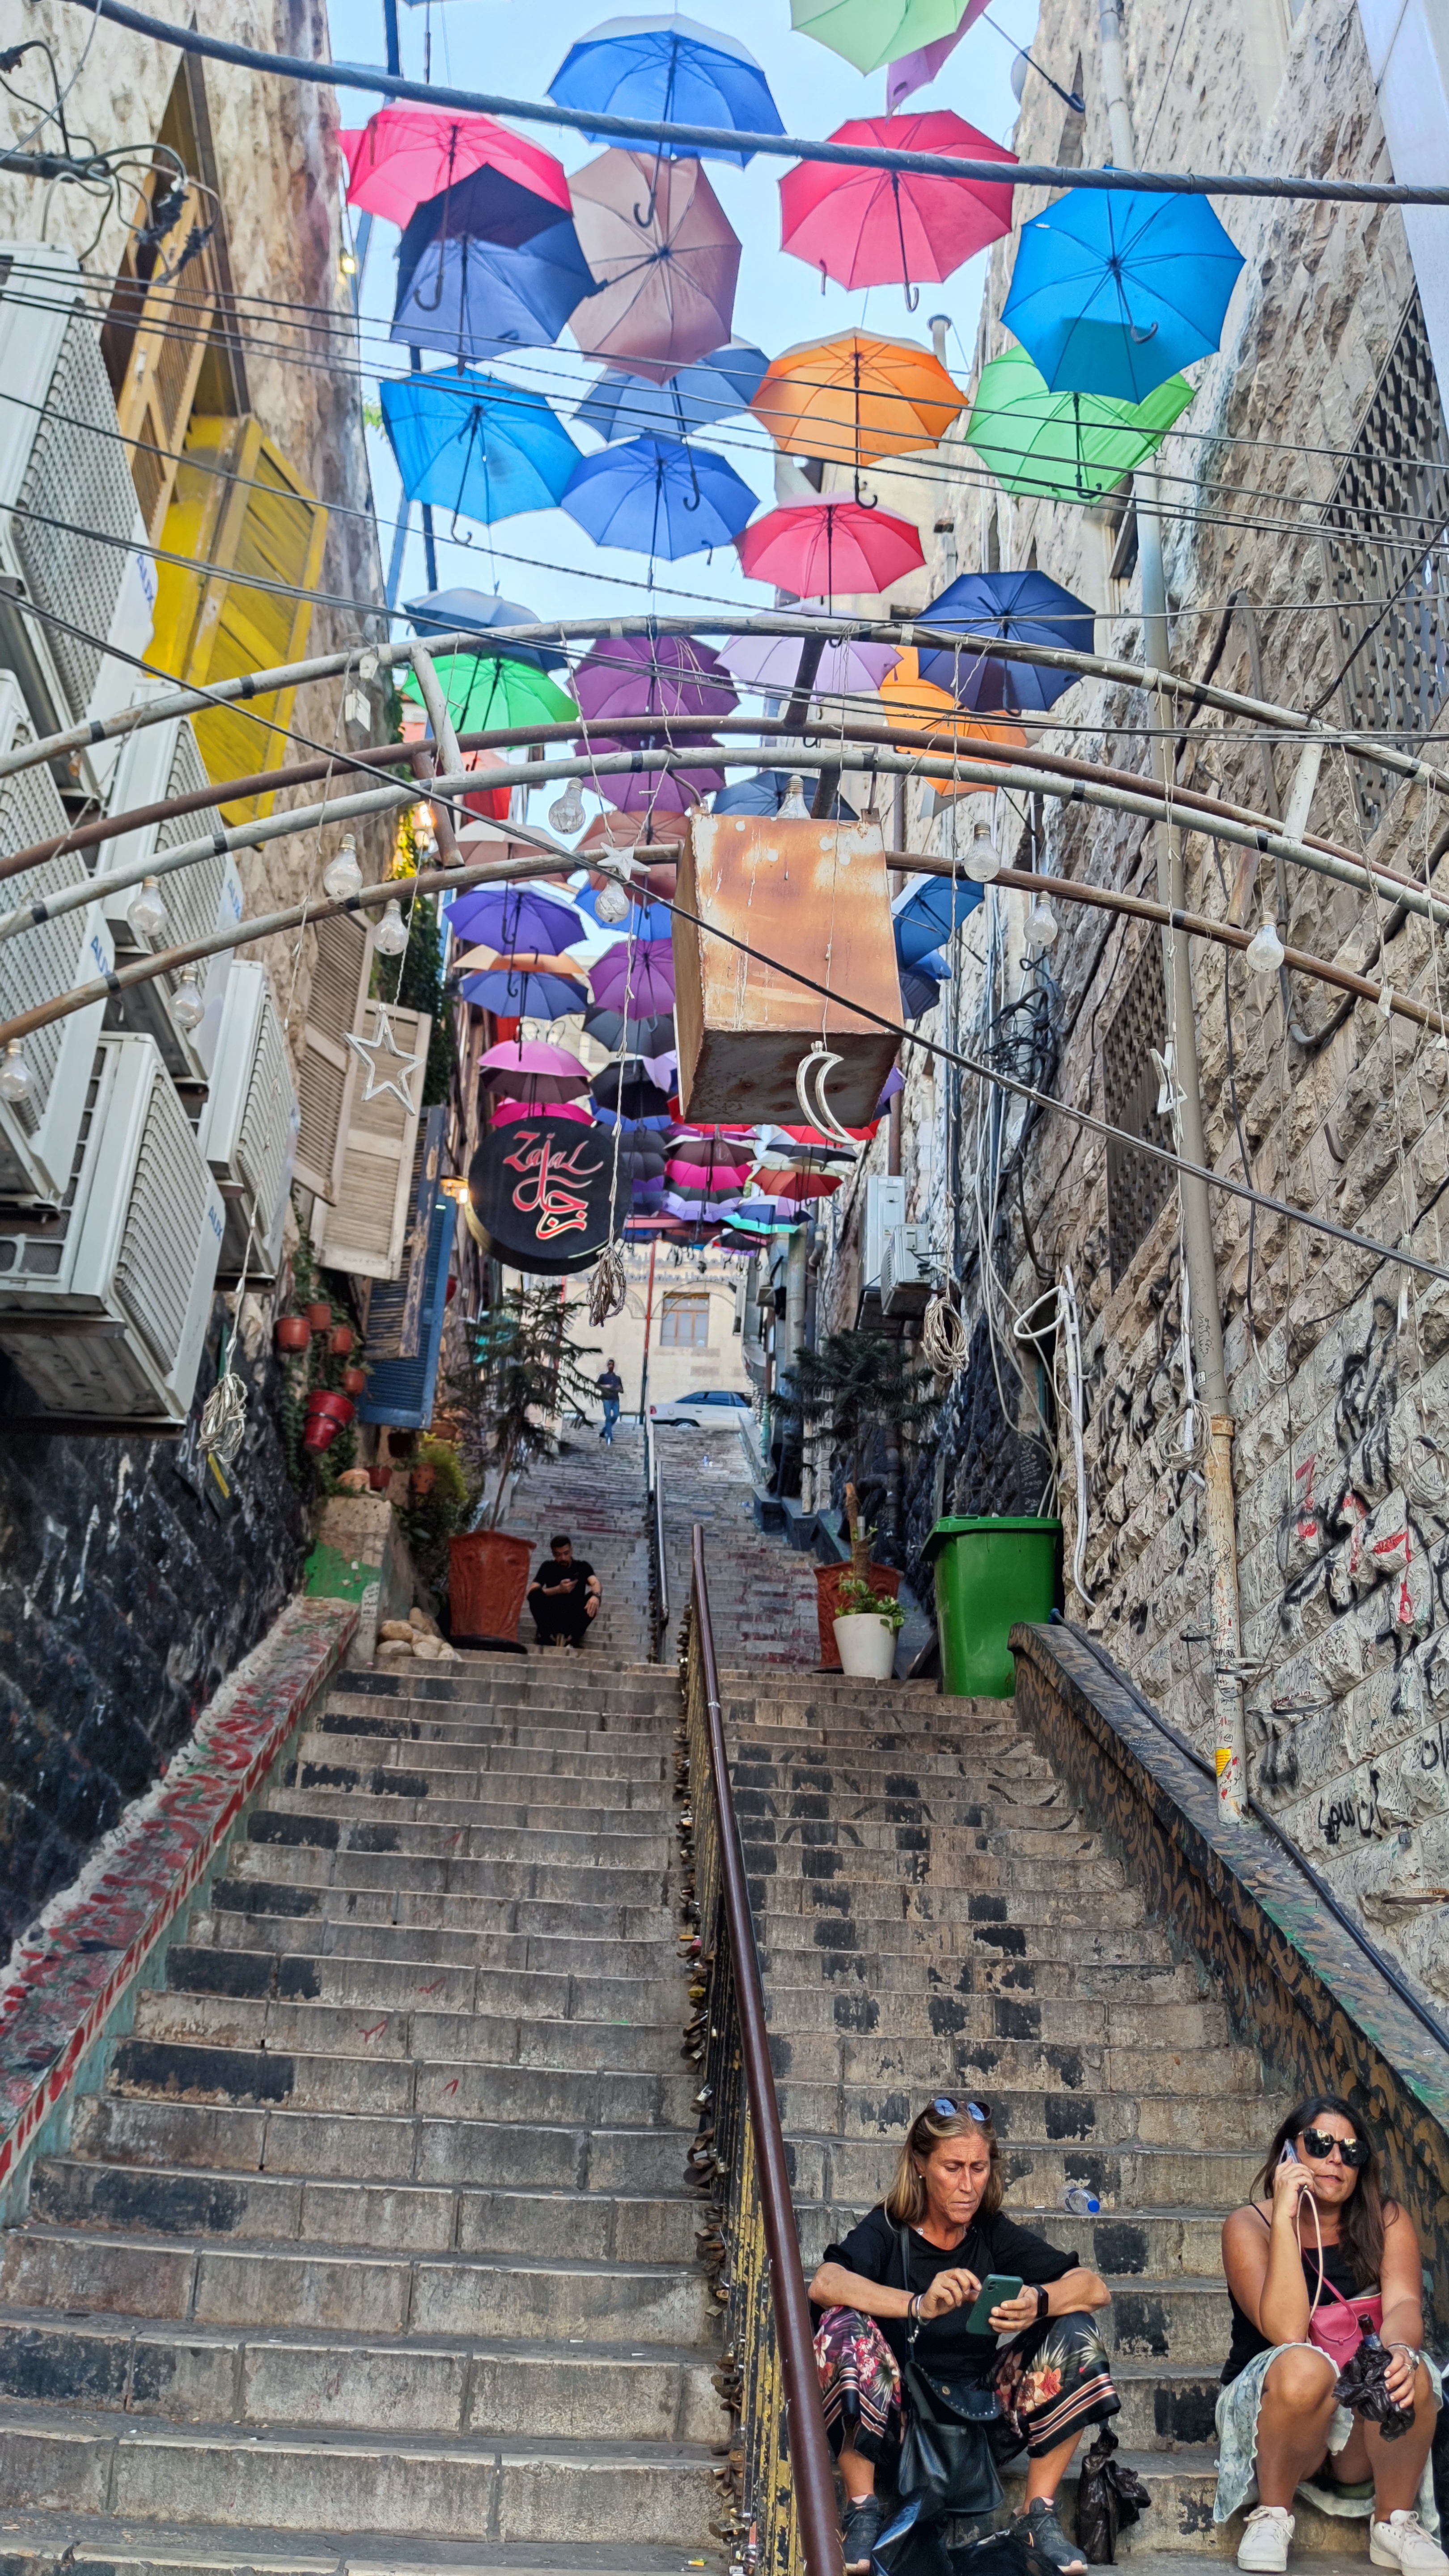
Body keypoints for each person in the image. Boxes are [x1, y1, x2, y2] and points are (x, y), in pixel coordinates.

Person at [808, 2097, 1118, 2576]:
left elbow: (1093, 2288)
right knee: (842, 2324)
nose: (969, 2185)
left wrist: (1037, 2301)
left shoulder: (989, 2232)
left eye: (979, 2168)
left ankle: (1036, 2514)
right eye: (953, 2168)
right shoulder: (889, 2228)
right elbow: (825, 2283)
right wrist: (918, 2304)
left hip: (982, 2420)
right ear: (920, 2165)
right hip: (899, 2423)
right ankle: (863, 2508)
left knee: (1075, 2328)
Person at [1216, 2093, 1445, 2576]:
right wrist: (1285, 2216)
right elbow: (1286, 2330)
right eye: (1320, 2144)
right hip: (1275, 2419)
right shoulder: (1248, 2225)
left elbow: (1403, 2304)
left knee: (1411, 2369)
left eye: (1351, 2151)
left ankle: (1394, 2523)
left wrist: (1400, 2351)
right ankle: (1273, 2514)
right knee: (1304, 2365)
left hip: (1356, 2424)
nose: (1336, 2159)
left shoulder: (1386, 2219)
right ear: (1289, 2151)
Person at [527, 1535, 601, 1650]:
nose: (563, 1558)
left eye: (566, 1553)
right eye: (558, 1555)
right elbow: (531, 1591)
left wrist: (596, 1596)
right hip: (552, 1616)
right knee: (535, 1595)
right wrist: (558, 1590)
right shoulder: (548, 1567)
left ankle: (573, 1639)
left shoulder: (582, 1566)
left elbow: (595, 1583)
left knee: (595, 1597)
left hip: (574, 1617)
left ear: (571, 1551)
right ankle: (547, 1637)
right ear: (553, 1554)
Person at [597, 1360, 623, 1445]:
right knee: (608, 1417)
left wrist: (619, 1389)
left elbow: (622, 1390)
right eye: (609, 1364)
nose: (611, 1366)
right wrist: (607, 1386)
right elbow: (597, 1386)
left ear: (614, 1366)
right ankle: (610, 1436)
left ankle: (604, 1431)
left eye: (612, 1364)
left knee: (616, 1416)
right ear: (607, 1366)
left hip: (615, 1400)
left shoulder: (617, 1378)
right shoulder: (603, 1377)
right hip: (607, 1399)